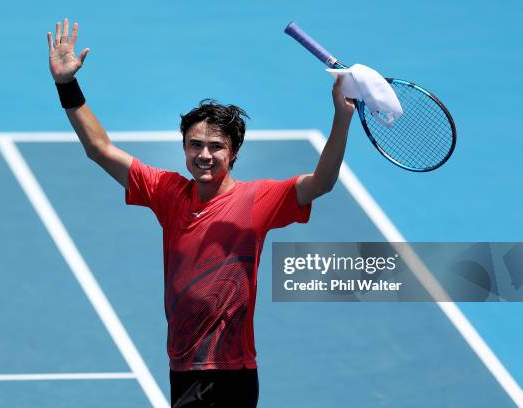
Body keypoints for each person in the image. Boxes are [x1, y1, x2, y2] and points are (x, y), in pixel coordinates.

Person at [47, 18, 354, 408]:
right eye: (195, 145)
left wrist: (341, 118)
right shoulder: (167, 192)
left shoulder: (259, 199)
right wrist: (65, 84)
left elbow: (321, 181)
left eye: (215, 146)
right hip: (182, 361)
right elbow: (99, 149)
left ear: (234, 153)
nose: (204, 155)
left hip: (229, 369)